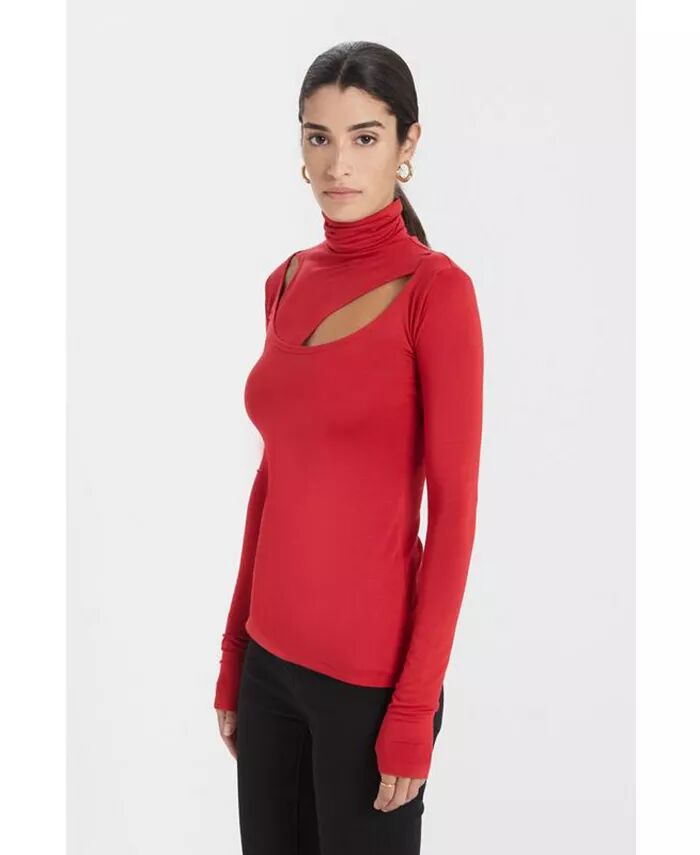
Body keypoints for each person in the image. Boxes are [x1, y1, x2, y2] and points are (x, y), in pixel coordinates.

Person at [213, 40, 484, 854]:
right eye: (319, 136)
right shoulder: (285, 281)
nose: (339, 164)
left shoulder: (437, 293)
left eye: (365, 137)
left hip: (369, 687)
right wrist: (234, 652)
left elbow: (455, 517)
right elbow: (272, 482)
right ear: (300, 147)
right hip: (269, 670)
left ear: (407, 144)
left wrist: (414, 704)